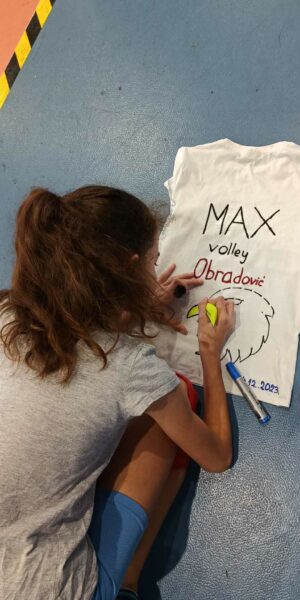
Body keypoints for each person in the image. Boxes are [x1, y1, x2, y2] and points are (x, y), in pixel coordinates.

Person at [0, 185, 235, 600]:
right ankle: (125, 583)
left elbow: (78, 333)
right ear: (130, 268)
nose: (156, 269)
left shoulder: (7, 312)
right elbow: (216, 456)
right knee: (178, 394)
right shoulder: (132, 364)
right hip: (47, 588)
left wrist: (133, 306)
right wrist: (210, 354)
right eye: (154, 261)